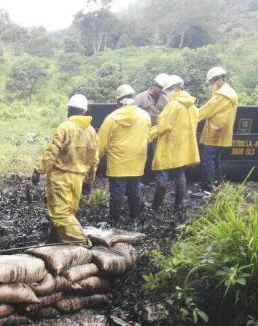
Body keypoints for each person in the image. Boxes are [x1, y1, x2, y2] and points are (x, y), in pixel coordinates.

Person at [34, 94, 99, 245]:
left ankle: (81, 243)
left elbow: (52, 152)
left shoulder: (65, 127)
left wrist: (39, 170)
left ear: (69, 109)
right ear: (84, 111)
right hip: (78, 179)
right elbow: (94, 160)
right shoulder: (91, 132)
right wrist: (89, 180)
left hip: (61, 177)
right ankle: (52, 243)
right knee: (68, 212)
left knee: (60, 214)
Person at [97, 84, 151, 226]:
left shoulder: (111, 118)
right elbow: (147, 136)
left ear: (118, 101)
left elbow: (101, 144)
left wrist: (93, 161)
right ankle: (134, 219)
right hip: (137, 162)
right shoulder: (145, 116)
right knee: (134, 191)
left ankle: (113, 221)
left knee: (117, 193)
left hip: (118, 163)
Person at [149, 75, 200, 217]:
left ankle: (155, 207)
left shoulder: (173, 105)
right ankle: (178, 206)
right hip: (184, 147)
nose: (168, 92)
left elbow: (163, 126)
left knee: (162, 175)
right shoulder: (192, 106)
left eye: (170, 89)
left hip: (170, 146)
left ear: (178, 87)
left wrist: (148, 134)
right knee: (180, 175)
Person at [198, 66, 238, 190]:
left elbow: (206, 111)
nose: (211, 85)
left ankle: (208, 187)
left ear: (218, 80)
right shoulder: (230, 92)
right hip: (223, 132)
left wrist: (189, 118)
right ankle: (218, 184)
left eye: (211, 82)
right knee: (215, 159)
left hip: (215, 132)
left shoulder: (222, 95)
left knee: (207, 159)